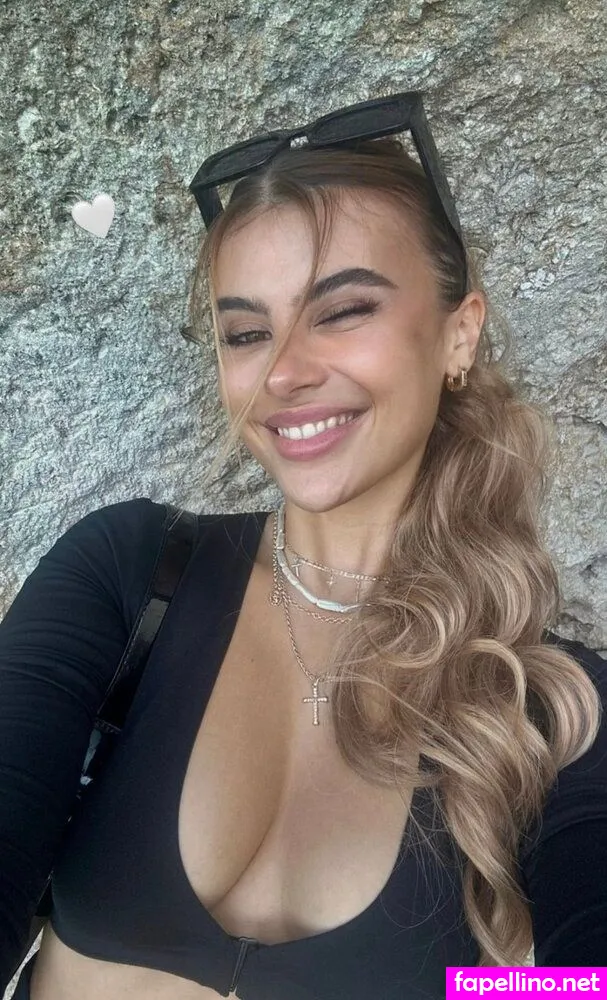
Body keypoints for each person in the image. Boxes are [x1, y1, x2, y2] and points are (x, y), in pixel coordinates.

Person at [1, 93, 606, 1000]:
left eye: (343, 309)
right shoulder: (131, 574)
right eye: (247, 333)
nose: (282, 372)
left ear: (458, 334)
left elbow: (582, 979)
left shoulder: (551, 703)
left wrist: (490, 991)